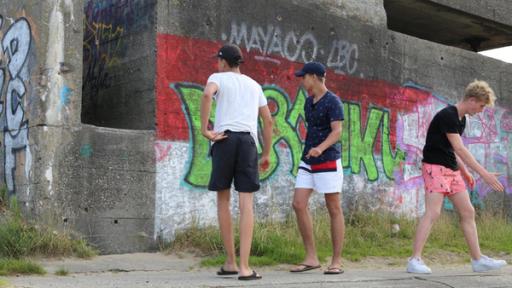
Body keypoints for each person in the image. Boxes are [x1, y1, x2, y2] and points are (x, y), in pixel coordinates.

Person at [407, 80, 507, 274]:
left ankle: (477, 260)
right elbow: (460, 148)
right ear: (471, 100)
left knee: (468, 212)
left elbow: (452, 148)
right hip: (434, 168)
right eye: (481, 105)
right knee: (433, 212)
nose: (481, 110)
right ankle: (414, 259)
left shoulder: (461, 120)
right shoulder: (448, 116)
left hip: (451, 170)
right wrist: (483, 173)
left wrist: (465, 172)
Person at [200, 44, 273, 281]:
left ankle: (230, 261)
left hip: (224, 139)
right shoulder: (254, 85)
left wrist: (205, 130)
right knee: (246, 204)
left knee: (223, 200)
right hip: (248, 142)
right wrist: (266, 153)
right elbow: (268, 121)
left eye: (218, 61)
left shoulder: (217, 77)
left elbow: (207, 94)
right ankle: (244, 267)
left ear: (223, 61)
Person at [290, 62, 346, 275]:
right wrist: (311, 151)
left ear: (313, 77)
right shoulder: (308, 102)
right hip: (308, 160)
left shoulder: (333, 101)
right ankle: (311, 258)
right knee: (298, 203)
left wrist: (320, 148)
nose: (302, 81)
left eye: (303, 77)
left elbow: (337, 131)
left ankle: (336, 261)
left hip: (328, 160)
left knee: (333, 208)